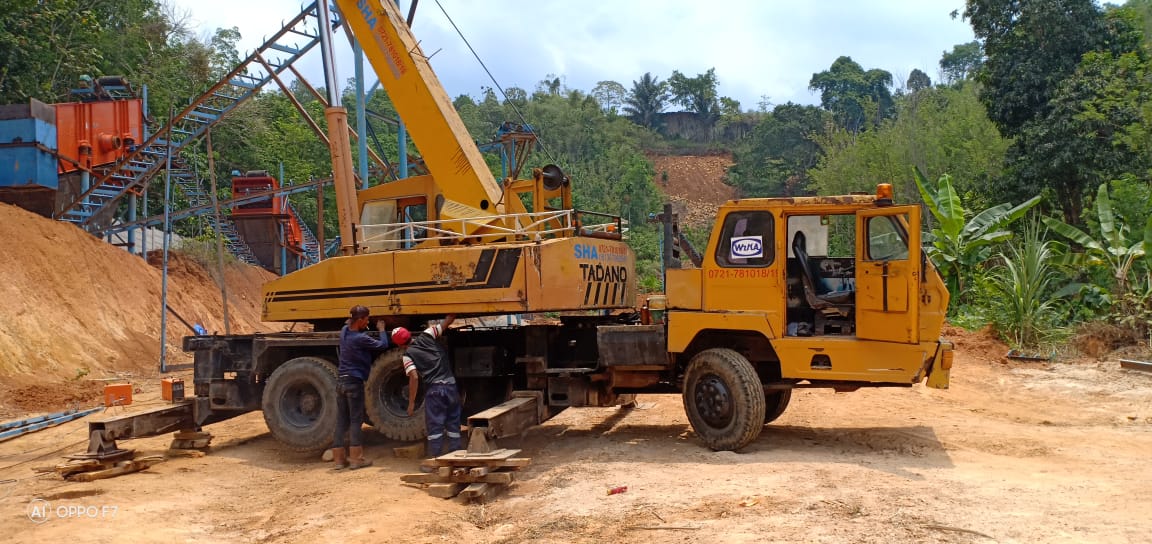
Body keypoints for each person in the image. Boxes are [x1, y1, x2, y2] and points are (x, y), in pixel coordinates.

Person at [391, 314, 460, 460]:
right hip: (451, 386)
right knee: (453, 422)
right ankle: (457, 454)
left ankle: (435, 458)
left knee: (435, 425)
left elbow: (414, 377)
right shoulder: (427, 335)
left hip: (435, 390)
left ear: (399, 345)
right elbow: (447, 321)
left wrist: (411, 402)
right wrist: (452, 313)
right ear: (409, 334)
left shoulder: (407, 356)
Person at [331, 304, 390, 471]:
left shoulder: (344, 332)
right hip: (354, 382)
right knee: (356, 421)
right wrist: (382, 329)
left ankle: (338, 461)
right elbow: (383, 345)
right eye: (367, 319)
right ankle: (356, 459)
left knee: (342, 421)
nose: (368, 322)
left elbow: (346, 323)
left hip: (341, 382)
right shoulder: (360, 338)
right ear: (360, 320)